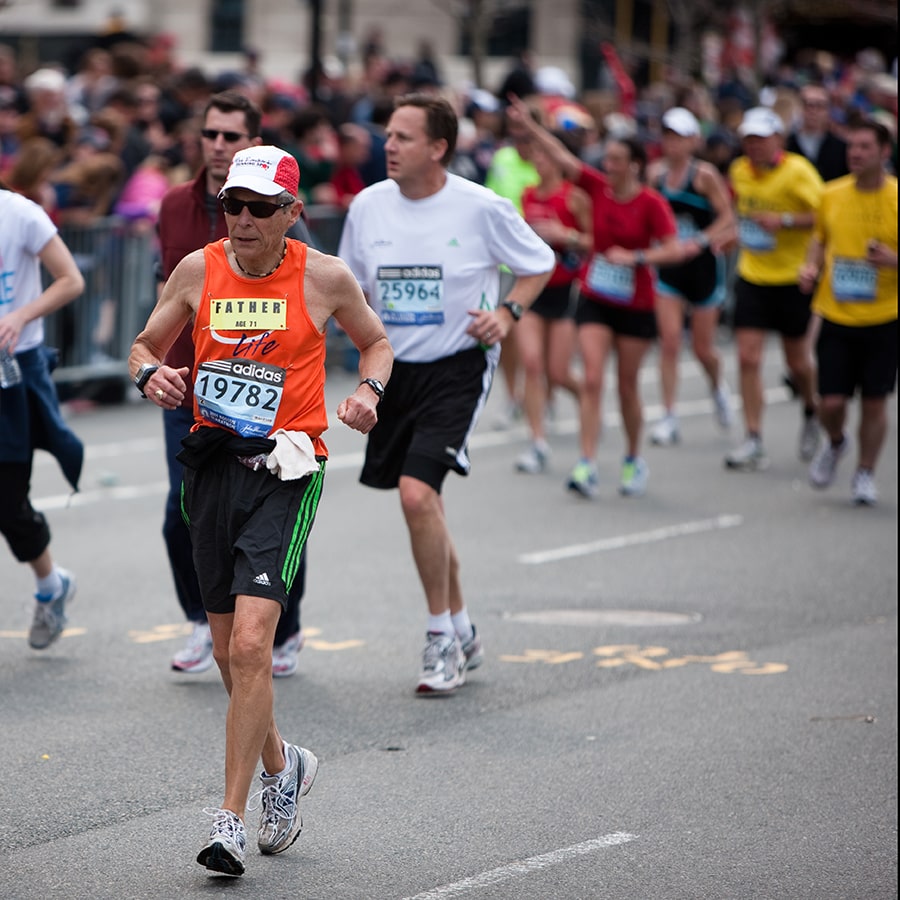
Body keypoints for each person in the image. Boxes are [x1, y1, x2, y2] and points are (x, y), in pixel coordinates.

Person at [128, 145, 392, 876]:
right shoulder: (197, 269)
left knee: (251, 647)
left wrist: (369, 394)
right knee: (226, 653)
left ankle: (230, 820)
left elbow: (376, 345)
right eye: (231, 205)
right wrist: (153, 373)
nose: (241, 220)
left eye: (259, 208)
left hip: (288, 468)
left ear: (291, 214)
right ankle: (287, 764)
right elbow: (142, 344)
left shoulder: (324, 277)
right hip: (212, 468)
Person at [338, 93, 554, 694]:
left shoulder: (481, 207)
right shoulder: (368, 206)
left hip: (458, 366)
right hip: (391, 370)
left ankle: (439, 640)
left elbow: (539, 262)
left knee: (415, 496)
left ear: (439, 147)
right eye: (387, 134)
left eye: (404, 137)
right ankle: (461, 625)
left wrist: (507, 314)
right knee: (424, 504)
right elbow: (350, 290)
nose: (389, 145)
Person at [156, 91, 316, 678]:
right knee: (185, 518)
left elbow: (307, 302)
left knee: (268, 526)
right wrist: (155, 367)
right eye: (210, 133)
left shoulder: (288, 228)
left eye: (231, 135)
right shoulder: (175, 205)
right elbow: (165, 291)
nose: (218, 144)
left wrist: (364, 390)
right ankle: (207, 623)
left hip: (273, 411)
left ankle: (282, 627)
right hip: (190, 390)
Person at [507, 94, 687, 499]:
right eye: (607, 159)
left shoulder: (652, 204)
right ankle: (586, 463)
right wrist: (530, 125)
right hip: (594, 297)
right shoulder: (597, 187)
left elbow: (673, 249)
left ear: (635, 165)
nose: (608, 165)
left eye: (617, 160)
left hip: (636, 304)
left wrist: (637, 256)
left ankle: (632, 458)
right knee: (591, 377)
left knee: (626, 387)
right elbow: (560, 154)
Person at [0, 182, 85, 650]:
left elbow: (72, 279)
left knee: (9, 503)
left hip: (14, 375)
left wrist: (20, 316)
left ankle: (51, 587)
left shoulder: (20, 214)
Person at [799, 118, 897, 505]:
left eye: (864, 147)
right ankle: (837, 442)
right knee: (832, 402)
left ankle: (865, 472)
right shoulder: (831, 194)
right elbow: (818, 241)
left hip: (885, 317)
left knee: (874, 402)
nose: (855, 153)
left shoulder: (895, 198)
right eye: (851, 146)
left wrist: (893, 260)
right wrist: (809, 267)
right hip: (836, 313)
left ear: (884, 153)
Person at [725, 106, 824, 471]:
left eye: (761, 139)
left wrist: (783, 220)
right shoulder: (738, 172)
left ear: (777, 140)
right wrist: (733, 235)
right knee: (747, 358)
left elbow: (825, 214)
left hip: (791, 278)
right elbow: (742, 216)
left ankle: (812, 409)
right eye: (748, 139)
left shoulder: (797, 171)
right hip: (753, 276)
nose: (753, 146)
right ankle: (753, 438)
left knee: (797, 362)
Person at [645, 107, 738, 446]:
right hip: (670, 267)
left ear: (692, 141)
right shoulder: (655, 175)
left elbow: (728, 218)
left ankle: (717, 386)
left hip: (702, 268)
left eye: (679, 137)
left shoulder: (705, 176)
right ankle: (669, 415)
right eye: (667, 136)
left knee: (702, 349)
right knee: (669, 342)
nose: (671, 143)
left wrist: (699, 241)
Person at [514, 132, 591, 474]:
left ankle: (587, 400)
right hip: (533, 288)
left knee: (557, 374)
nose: (539, 160)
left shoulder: (574, 198)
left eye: (545, 154)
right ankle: (537, 442)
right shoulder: (527, 194)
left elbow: (595, 242)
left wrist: (566, 236)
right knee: (531, 364)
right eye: (536, 155)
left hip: (565, 290)